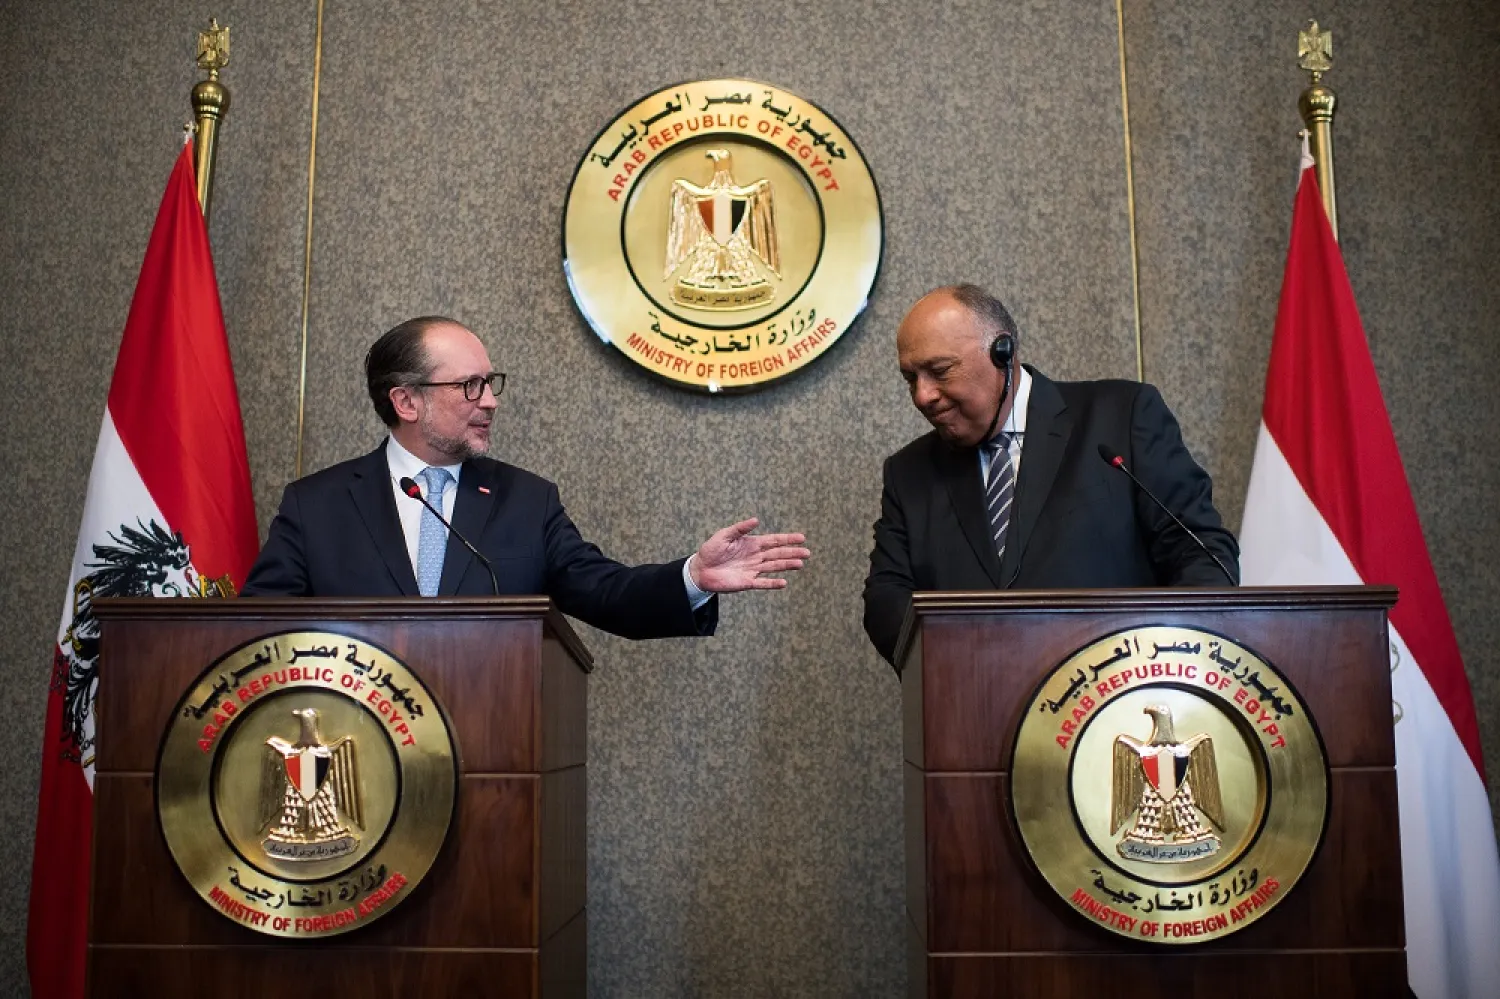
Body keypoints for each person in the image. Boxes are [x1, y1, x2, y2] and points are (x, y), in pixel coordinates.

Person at [242, 317, 809, 640]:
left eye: (491, 383)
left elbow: (604, 592)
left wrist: (693, 576)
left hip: (494, 759)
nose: (490, 401)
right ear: (407, 401)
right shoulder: (316, 507)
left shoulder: (525, 501)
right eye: (469, 386)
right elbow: (253, 635)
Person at [862, 285, 1238, 667]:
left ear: (1001, 353)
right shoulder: (909, 472)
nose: (923, 396)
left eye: (939, 371)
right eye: (911, 378)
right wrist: (959, 665)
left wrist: (1162, 663)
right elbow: (886, 601)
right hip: (976, 706)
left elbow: (1202, 555)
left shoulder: (1120, 419)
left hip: (1116, 703)